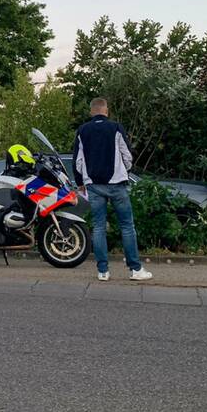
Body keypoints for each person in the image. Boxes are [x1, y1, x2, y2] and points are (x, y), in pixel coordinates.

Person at [72, 97, 153, 282]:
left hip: (94, 186)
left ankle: (103, 271)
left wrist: (81, 181)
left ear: (91, 112)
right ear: (106, 111)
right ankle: (135, 269)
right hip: (117, 184)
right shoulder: (116, 127)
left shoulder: (82, 130)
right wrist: (125, 171)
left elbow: (78, 161)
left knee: (99, 227)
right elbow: (127, 155)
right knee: (127, 226)